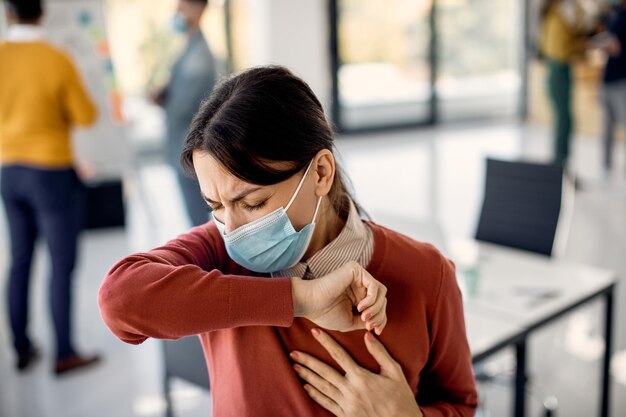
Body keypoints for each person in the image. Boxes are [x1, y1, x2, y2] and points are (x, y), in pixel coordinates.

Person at [99, 66, 477, 416]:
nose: (232, 228)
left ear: (321, 174)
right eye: (215, 205)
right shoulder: (215, 254)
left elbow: (460, 403)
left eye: (252, 203)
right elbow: (119, 301)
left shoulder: (426, 273)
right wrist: (301, 300)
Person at [0, 0, 101, 374]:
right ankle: (63, 353)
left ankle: (21, 347)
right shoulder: (56, 59)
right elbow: (86, 115)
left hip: (8, 171)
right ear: (41, 12)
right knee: (61, 264)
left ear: (9, 13)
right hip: (51, 172)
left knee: (20, 259)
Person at [150, 0, 217, 226]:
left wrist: (165, 99)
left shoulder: (199, 57)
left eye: (182, 8)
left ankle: (203, 261)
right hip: (183, 142)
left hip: (188, 145)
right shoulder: (189, 49)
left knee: (197, 219)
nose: (177, 13)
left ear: (197, 10)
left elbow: (183, 106)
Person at [540, 0, 590, 167]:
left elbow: (575, 31)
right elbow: (562, 50)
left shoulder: (558, 17)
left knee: (565, 121)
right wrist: (583, 46)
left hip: (560, 71)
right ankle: (560, 166)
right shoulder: (556, 19)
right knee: (564, 122)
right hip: (558, 72)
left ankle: (562, 165)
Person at [592, 0, 626, 177]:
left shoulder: (622, 17)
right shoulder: (614, 15)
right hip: (607, 80)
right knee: (606, 129)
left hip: (621, 82)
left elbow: (613, 46)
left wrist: (597, 44)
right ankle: (605, 167)